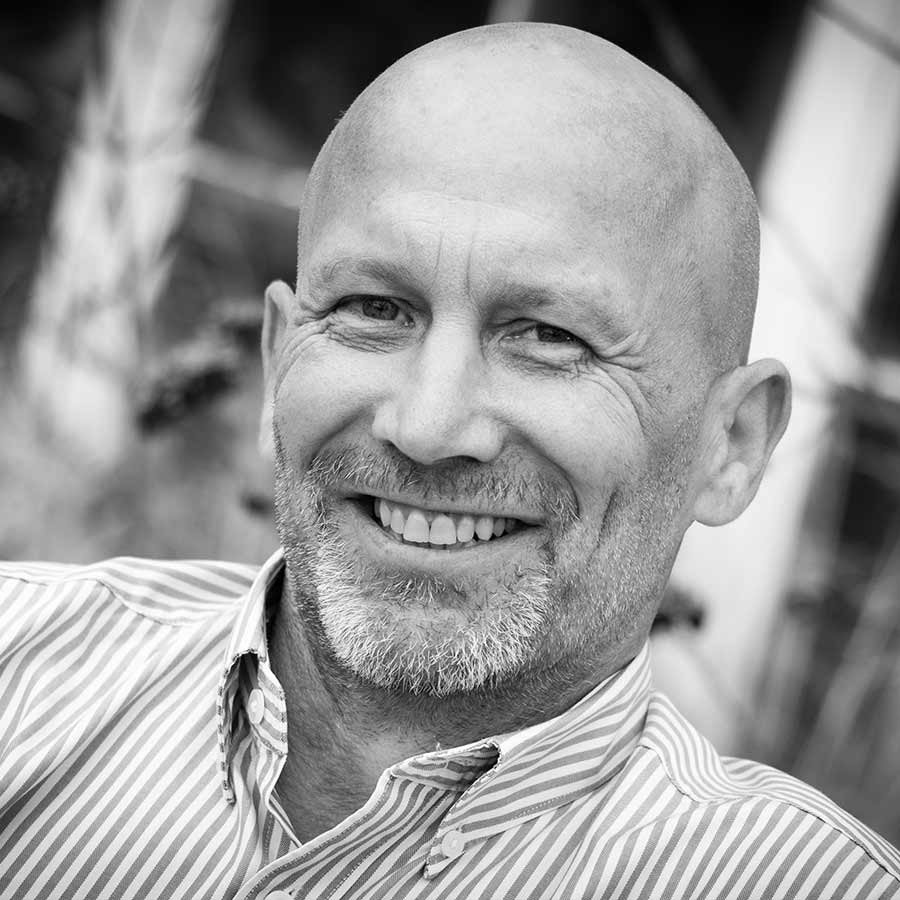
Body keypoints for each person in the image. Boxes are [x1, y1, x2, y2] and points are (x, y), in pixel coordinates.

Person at [1, 21, 898, 900]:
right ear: (278, 363)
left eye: (548, 336)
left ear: (731, 445)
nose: (427, 427)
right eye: (374, 308)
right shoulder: (19, 677)